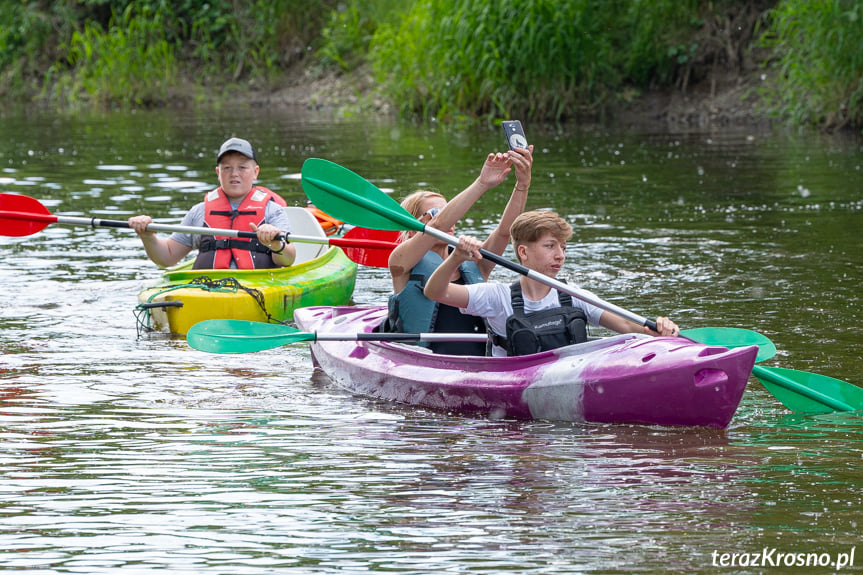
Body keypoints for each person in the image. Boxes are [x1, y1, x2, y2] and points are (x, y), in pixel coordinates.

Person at [423, 210, 681, 357]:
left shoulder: (572, 295)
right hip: (513, 387)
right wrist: (456, 257)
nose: (560, 255)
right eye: (550, 246)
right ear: (523, 252)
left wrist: (658, 329)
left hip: (566, 377)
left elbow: (625, 324)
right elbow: (435, 292)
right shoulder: (497, 296)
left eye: (563, 247)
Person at [384, 145, 534, 355]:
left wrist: (522, 184)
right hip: (424, 364)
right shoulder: (401, 262)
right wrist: (482, 183)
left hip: (480, 362)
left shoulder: (473, 260)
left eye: (450, 209)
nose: (449, 218)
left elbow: (504, 232)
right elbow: (438, 226)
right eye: (436, 212)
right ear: (412, 228)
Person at [128, 137, 296, 269]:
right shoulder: (199, 212)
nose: (234, 174)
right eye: (227, 168)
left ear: (255, 172)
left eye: (242, 168)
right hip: (209, 289)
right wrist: (147, 236)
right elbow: (167, 257)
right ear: (218, 172)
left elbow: (288, 259)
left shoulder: (272, 211)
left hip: (259, 287)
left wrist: (275, 242)